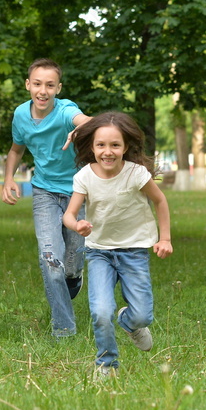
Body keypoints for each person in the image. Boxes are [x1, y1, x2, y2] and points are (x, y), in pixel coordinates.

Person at [62, 112, 172, 377]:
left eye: (115, 145)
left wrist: (165, 238)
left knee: (143, 316)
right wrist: (77, 225)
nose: (107, 152)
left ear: (125, 147)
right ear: (92, 146)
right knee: (100, 311)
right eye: (101, 145)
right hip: (99, 252)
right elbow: (68, 215)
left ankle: (128, 322)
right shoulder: (85, 177)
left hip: (134, 251)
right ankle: (106, 365)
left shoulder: (136, 174)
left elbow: (160, 201)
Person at [2, 59, 91, 338]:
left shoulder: (66, 110)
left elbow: (86, 122)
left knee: (73, 258)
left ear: (58, 88)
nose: (43, 91)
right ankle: (64, 328)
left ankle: (74, 275)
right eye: (37, 84)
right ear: (28, 85)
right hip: (44, 193)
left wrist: (82, 129)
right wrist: (8, 179)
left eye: (50, 85)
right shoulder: (20, 115)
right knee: (51, 259)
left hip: (77, 191)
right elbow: (16, 150)